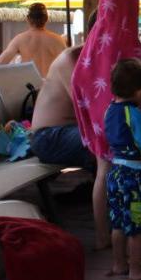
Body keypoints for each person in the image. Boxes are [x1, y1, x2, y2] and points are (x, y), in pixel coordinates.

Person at [72, 0, 141, 252]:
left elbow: (78, 81)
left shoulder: (93, 41)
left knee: (103, 175)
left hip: (102, 120)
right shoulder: (126, 41)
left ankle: (105, 235)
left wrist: (92, 116)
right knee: (132, 183)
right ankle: (133, 237)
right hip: (129, 125)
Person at [104, 58, 141, 280]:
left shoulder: (110, 109)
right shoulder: (135, 114)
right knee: (137, 226)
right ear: (139, 91)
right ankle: (136, 270)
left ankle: (119, 264)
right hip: (134, 177)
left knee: (118, 223)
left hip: (116, 171)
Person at [29, 13, 98, 172]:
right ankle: (105, 191)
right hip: (48, 137)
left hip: (72, 130)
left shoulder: (103, 59)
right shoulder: (72, 58)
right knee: (111, 137)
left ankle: (100, 188)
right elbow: (87, 105)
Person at [0, 3, 66, 77]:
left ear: (28, 19)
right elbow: (69, 66)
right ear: (46, 19)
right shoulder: (58, 40)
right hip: (50, 85)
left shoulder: (19, 39)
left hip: (30, 85)